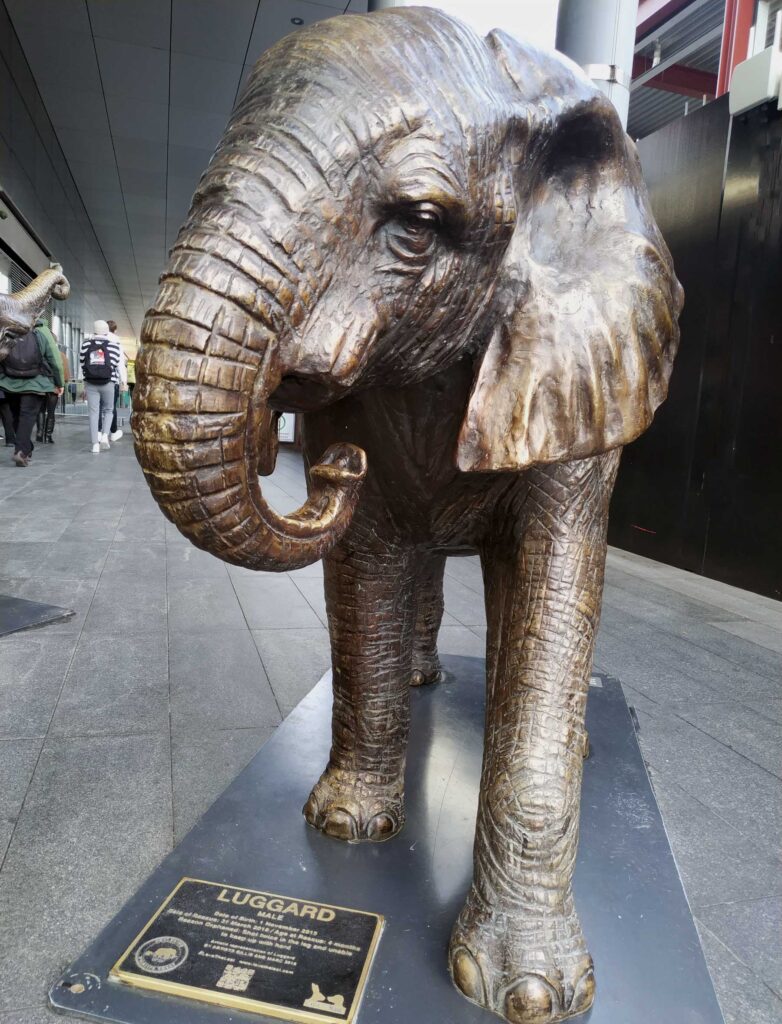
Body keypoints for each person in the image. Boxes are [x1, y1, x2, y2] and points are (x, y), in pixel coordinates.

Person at [0, 317, 64, 466]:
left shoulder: (7, 329)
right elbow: (54, 359)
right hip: (35, 382)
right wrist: (59, 382)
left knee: (16, 416)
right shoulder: (42, 330)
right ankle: (21, 451)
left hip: (9, 382)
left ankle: (25, 447)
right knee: (27, 416)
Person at [80, 319, 120, 454]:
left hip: (91, 383)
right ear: (107, 331)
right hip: (108, 382)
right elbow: (114, 363)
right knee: (108, 410)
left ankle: (94, 445)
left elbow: (82, 362)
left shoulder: (86, 345)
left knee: (93, 413)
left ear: (94, 330)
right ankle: (104, 436)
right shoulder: (114, 346)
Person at [36, 344, 69, 444]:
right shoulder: (61, 355)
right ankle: (48, 436)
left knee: (40, 410)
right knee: (51, 412)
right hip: (54, 387)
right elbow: (65, 372)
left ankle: (39, 434)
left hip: (40, 386)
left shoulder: (39, 354)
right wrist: (62, 384)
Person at [106, 319, 125, 442]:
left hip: (93, 379)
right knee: (111, 407)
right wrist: (123, 381)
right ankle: (112, 432)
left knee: (96, 408)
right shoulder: (117, 342)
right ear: (115, 330)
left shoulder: (93, 340)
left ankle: (98, 433)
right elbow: (120, 364)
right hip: (112, 380)